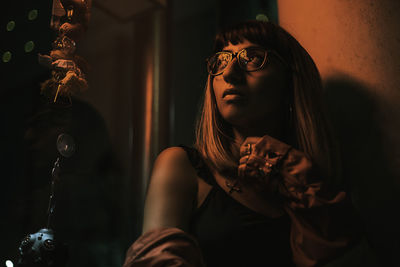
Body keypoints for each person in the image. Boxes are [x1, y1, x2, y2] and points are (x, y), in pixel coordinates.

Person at [123, 20, 363, 267]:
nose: (229, 73)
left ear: (289, 80)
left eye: (252, 58)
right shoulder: (181, 165)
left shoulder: (308, 185)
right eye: (220, 61)